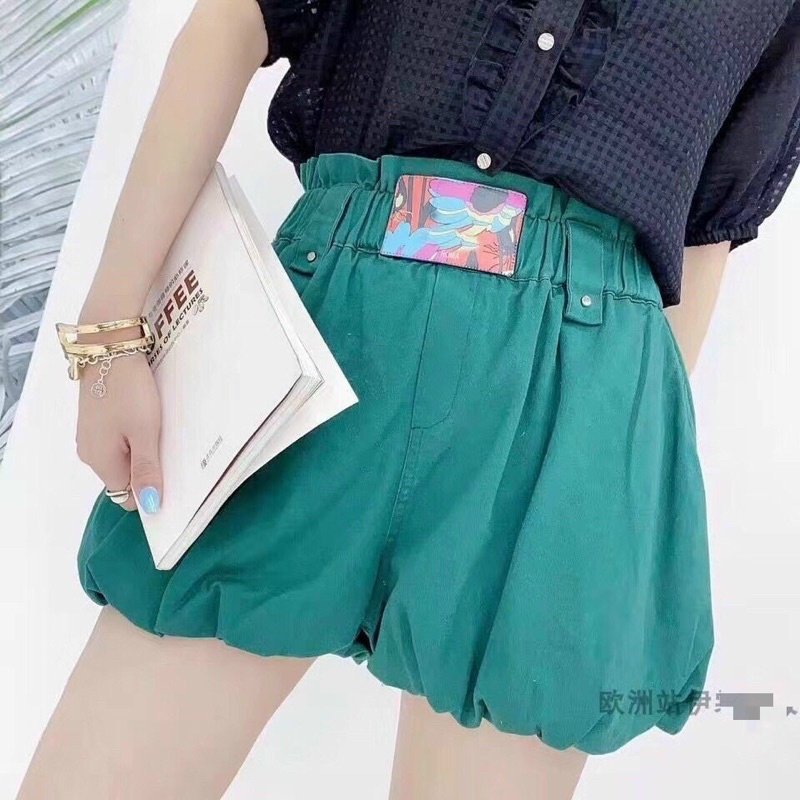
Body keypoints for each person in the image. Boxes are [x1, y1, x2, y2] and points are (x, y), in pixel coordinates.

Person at [16, 0, 800, 798]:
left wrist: (634, 475)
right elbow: (235, 18)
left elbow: (711, 225)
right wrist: (111, 332)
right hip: (326, 341)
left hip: (579, 405)